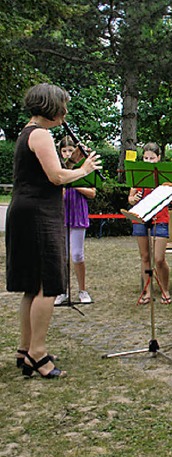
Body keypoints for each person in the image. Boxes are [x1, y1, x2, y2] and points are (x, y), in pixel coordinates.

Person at [5, 83, 102, 378]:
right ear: (52, 108)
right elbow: (56, 176)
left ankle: (25, 349)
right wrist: (85, 169)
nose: (66, 111)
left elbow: (45, 171)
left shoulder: (27, 133)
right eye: (64, 105)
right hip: (38, 214)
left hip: (24, 209)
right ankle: (37, 353)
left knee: (31, 287)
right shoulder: (42, 134)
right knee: (48, 285)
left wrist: (73, 162)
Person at [127, 142, 172, 305]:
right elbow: (131, 198)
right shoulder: (138, 175)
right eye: (145, 158)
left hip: (160, 218)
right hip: (140, 217)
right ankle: (147, 291)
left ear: (158, 158)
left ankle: (165, 290)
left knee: (159, 258)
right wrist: (133, 199)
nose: (148, 161)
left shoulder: (164, 175)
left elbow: (170, 196)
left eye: (151, 158)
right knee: (145, 256)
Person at [54, 136, 96, 305]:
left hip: (78, 212)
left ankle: (82, 290)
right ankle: (62, 291)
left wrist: (73, 183)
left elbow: (92, 193)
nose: (67, 154)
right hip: (61, 214)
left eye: (70, 151)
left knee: (77, 254)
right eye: (64, 151)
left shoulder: (83, 170)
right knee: (62, 255)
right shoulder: (57, 169)